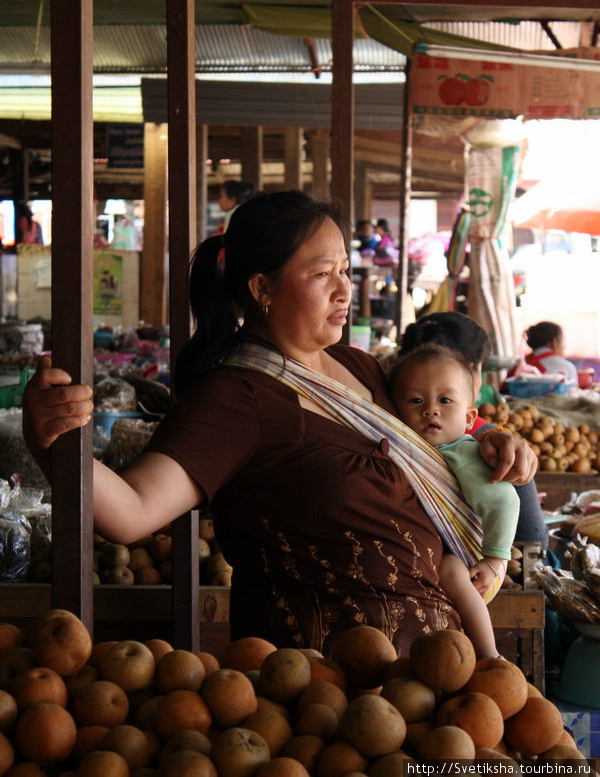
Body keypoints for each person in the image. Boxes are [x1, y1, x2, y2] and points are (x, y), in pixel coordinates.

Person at [22, 191, 537, 655]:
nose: (344, 291)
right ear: (262, 288)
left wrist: (491, 437)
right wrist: (54, 441)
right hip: (322, 690)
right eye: (321, 274)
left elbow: (435, 438)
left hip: (435, 664)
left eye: (344, 270)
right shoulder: (237, 398)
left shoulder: (360, 367)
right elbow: (131, 512)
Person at [390, 343, 520, 659]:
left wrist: (493, 560)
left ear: (469, 417)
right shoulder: (413, 451)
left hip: (478, 562)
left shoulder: (463, 454)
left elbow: (505, 501)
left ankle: (489, 654)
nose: (430, 409)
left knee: (448, 569)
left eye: (445, 400)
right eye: (416, 400)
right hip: (455, 551)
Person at [399, 311, 549, 552]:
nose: (431, 410)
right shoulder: (497, 448)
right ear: (470, 370)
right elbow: (533, 540)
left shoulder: (381, 426)